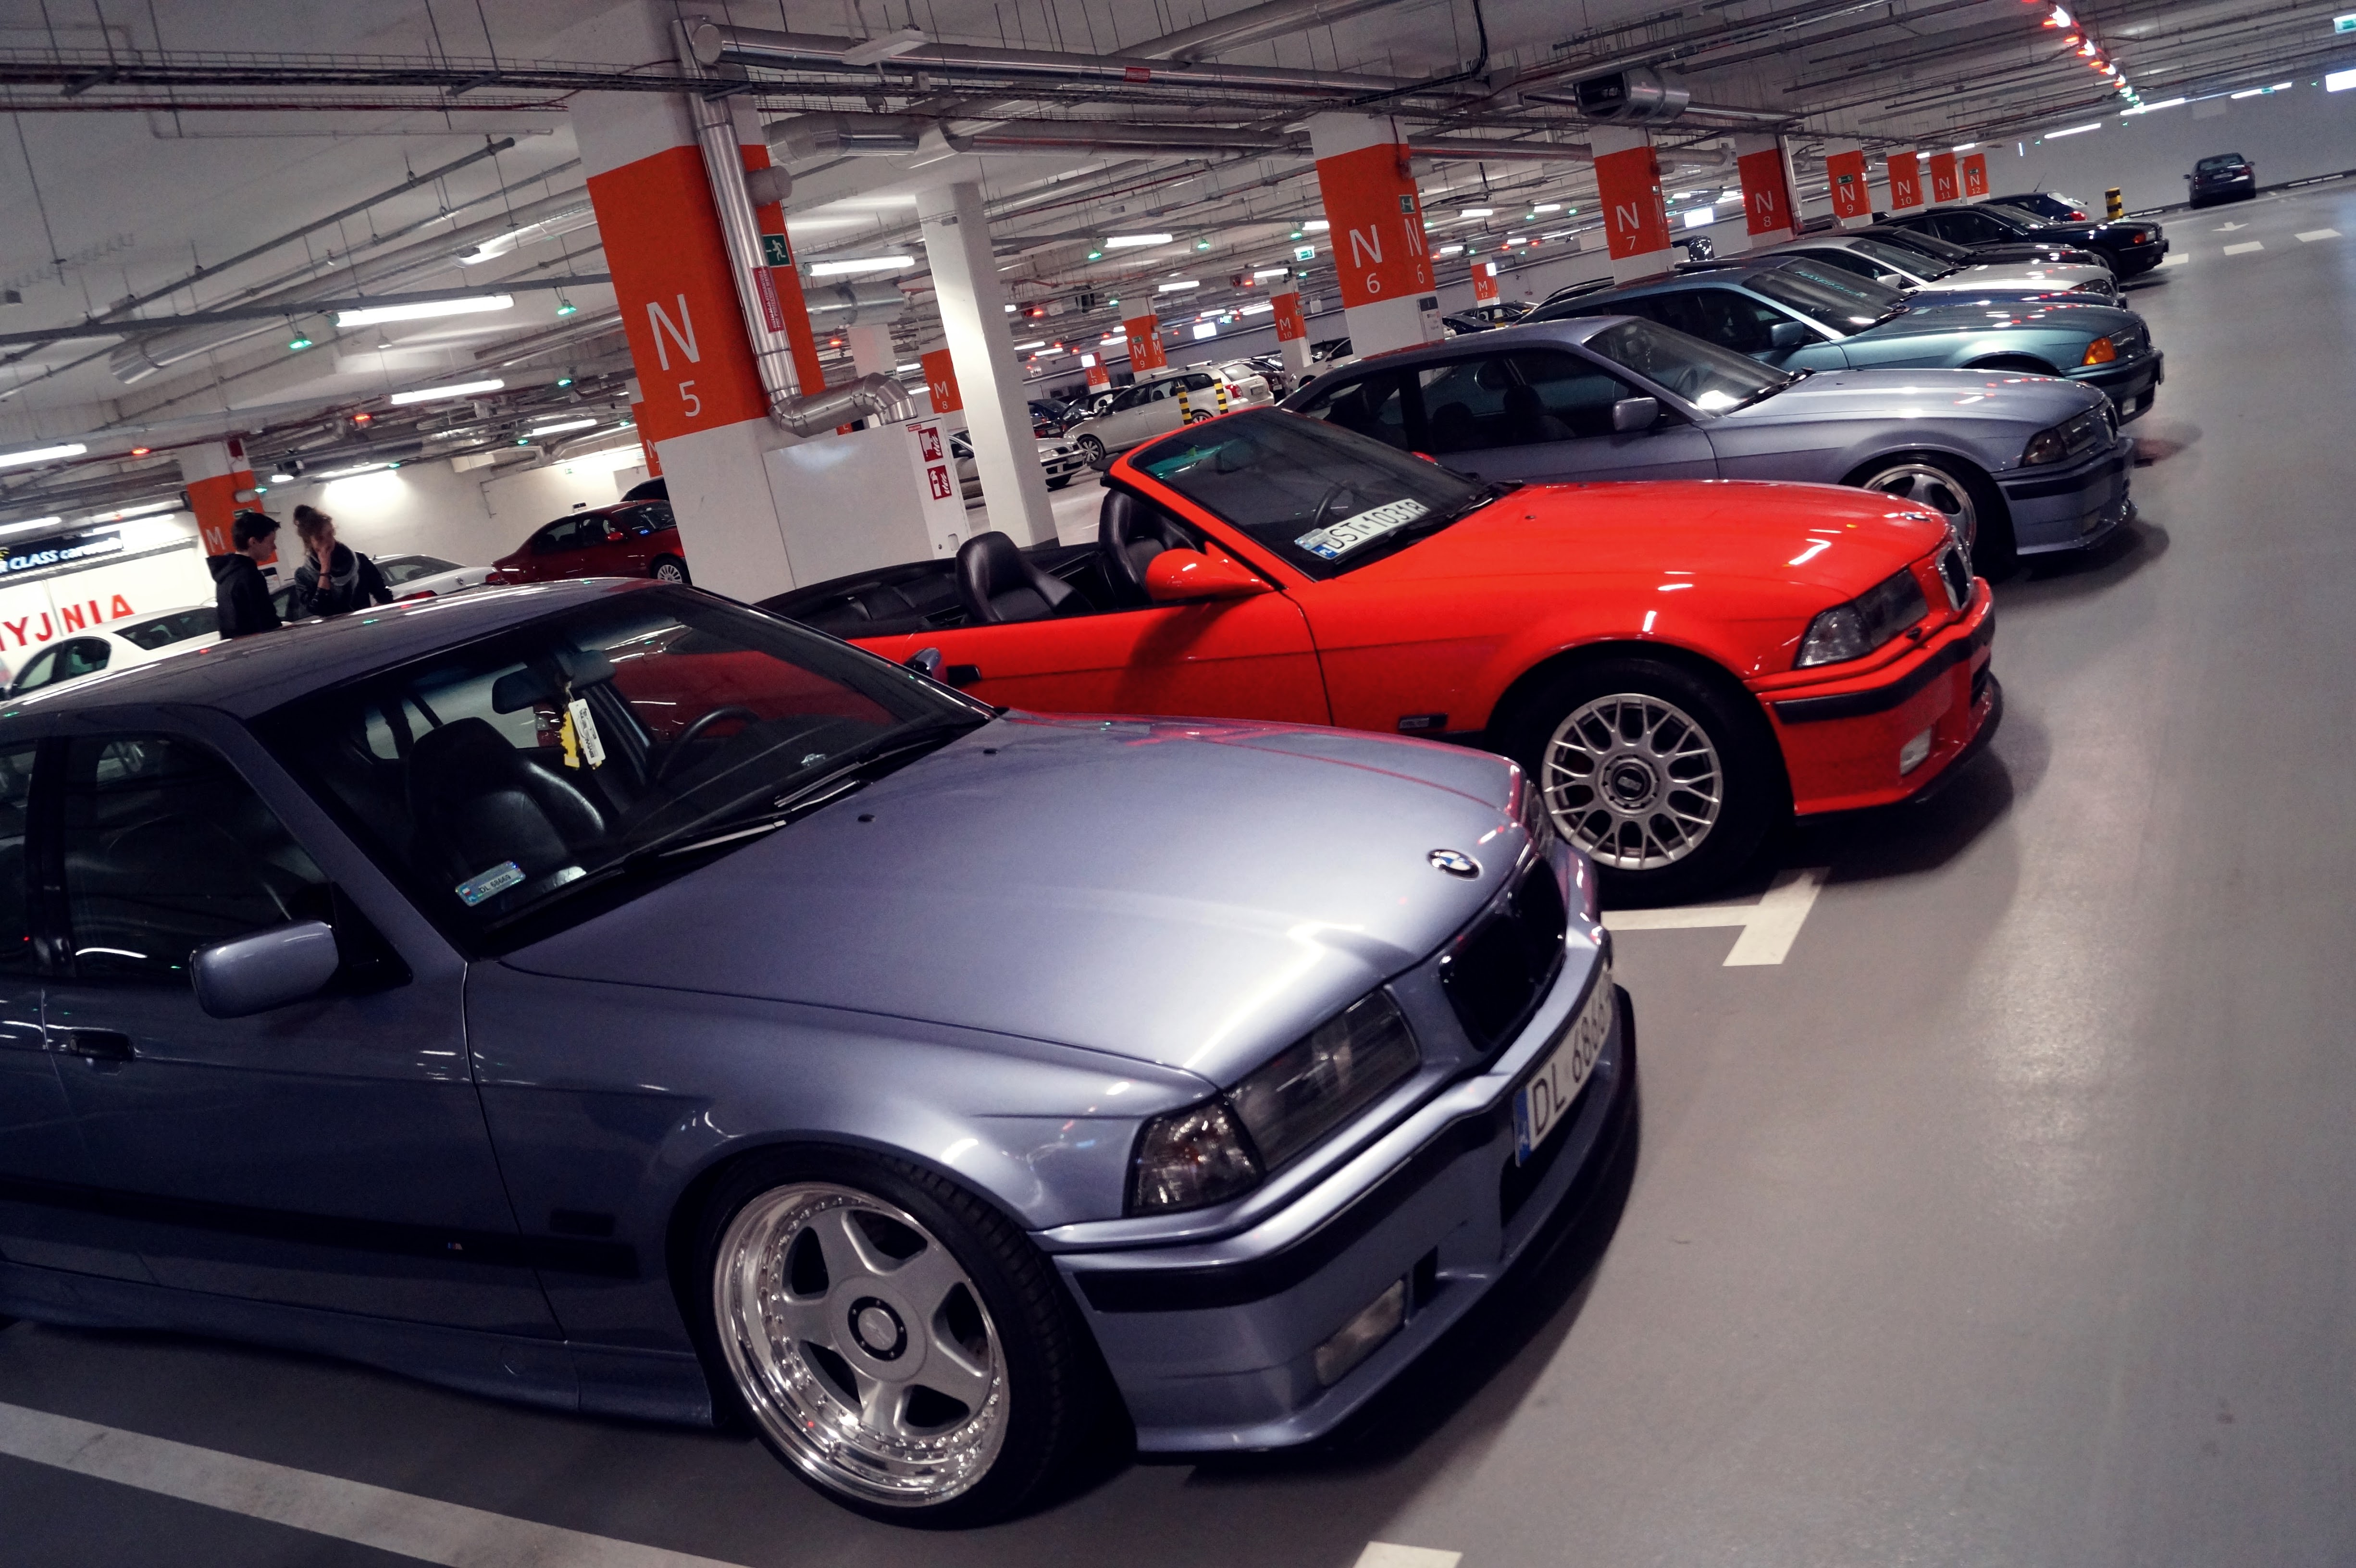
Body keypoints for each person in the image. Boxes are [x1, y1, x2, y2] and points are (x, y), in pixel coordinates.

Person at [289, 504, 392, 618]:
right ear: (309, 542)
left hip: (364, 626)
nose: (328, 542)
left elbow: (385, 596)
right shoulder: (304, 575)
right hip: (335, 629)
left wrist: (370, 617)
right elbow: (319, 609)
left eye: (330, 534)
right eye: (320, 538)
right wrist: (325, 570)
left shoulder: (359, 560)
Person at [209, 509, 283, 638]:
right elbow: (267, 622)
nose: (274, 547)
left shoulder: (225, 575)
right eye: (271, 542)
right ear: (253, 542)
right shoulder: (250, 576)